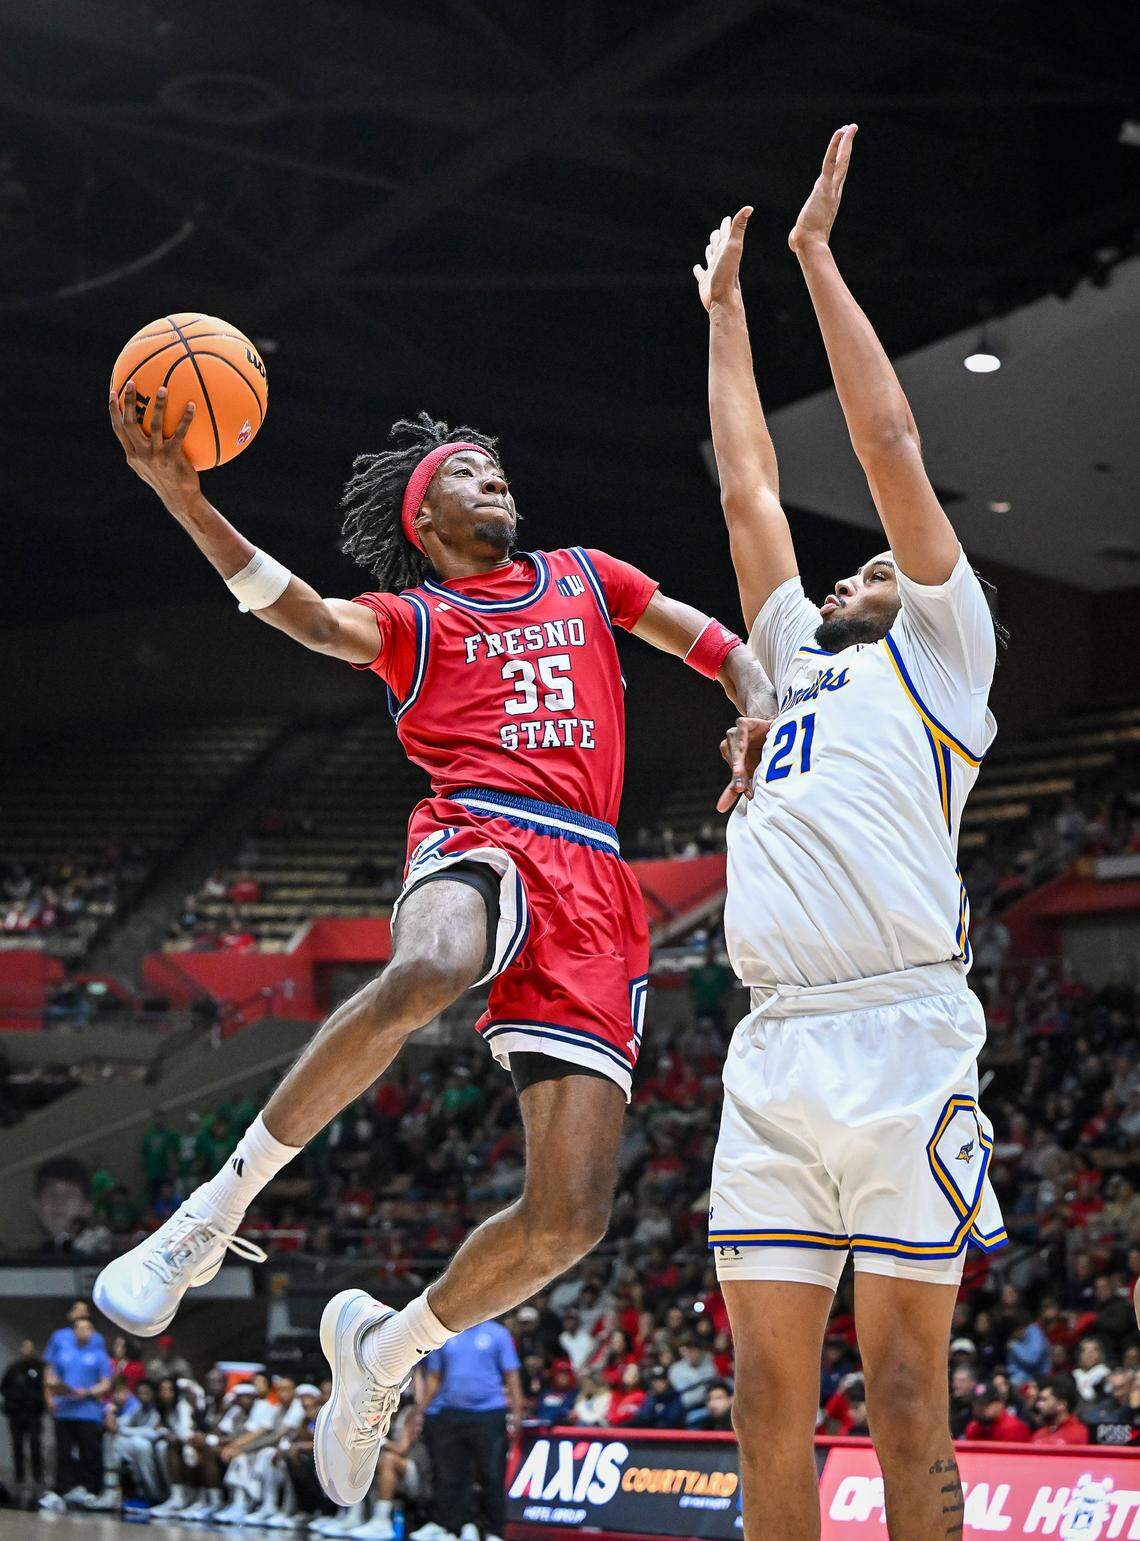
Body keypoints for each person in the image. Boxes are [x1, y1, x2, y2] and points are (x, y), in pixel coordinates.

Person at [97, 386, 768, 1518]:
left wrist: (752, 706)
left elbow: (724, 649)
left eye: (496, 465)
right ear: (423, 518)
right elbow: (306, 615)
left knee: (572, 1218)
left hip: (597, 881)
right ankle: (210, 1215)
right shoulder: (419, 623)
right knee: (429, 964)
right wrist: (186, 500)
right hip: (484, 830)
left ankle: (384, 1346)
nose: (492, 474)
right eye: (465, 469)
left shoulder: (589, 576)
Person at [696, 124, 1007, 1539]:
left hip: (898, 1033)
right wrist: (722, 318)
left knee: (900, 1395)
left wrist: (815, 260)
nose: (865, 560)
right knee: (765, 1402)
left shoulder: (942, 649)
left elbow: (886, 443)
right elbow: (747, 484)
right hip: (773, 1041)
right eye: (858, 561)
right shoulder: (789, 655)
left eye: (885, 554)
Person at [414, 1318, 521, 1541]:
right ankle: (455, 1526)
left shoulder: (498, 1333)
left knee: (492, 1473)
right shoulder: (445, 1334)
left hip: (489, 1413)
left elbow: (511, 1374)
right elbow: (434, 1377)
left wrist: (517, 1412)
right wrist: (420, 1410)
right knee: (450, 1474)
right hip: (450, 1412)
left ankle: (494, 1531)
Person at [44, 1313, 113, 1499]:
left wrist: (89, 1392)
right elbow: (51, 1375)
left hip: (88, 1412)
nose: (83, 1331)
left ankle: (89, 1489)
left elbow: (106, 1383)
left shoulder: (99, 1355)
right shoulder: (64, 1352)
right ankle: (61, 1488)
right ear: (73, 1331)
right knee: (64, 1453)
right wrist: (53, 1391)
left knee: (89, 1452)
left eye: (87, 1328)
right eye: (79, 1328)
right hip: (65, 1410)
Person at [1, 1338, 46, 1493]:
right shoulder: (13, 1369)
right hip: (16, 1413)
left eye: (29, 1347)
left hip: (33, 1413)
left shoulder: (40, 1369)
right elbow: (4, 1388)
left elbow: (44, 1389)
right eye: (24, 1347)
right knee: (17, 1445)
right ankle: (19, 1475)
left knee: (35, 1444)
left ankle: (38, 1476)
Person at [1031, 1375, 1089, 1446]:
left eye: (1044, 1400)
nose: (1038, 1405)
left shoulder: (1080, 1434)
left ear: (1061, 1405)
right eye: (1039, 1400)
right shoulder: (1038, 1434)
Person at [964, 1384, 1030, 1443]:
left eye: (985, 1403)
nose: (979, 1408)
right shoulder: (972, 1428)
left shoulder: (1013, 1428)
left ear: (1000, 1404)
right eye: (976, 1404)